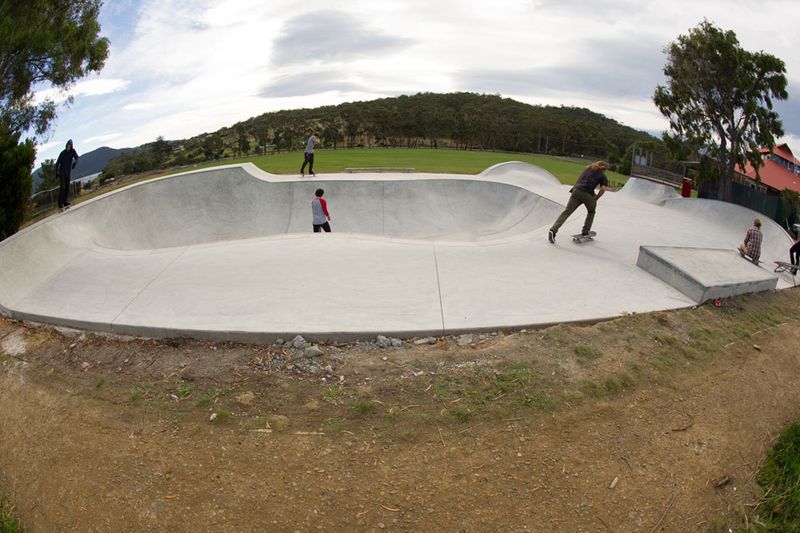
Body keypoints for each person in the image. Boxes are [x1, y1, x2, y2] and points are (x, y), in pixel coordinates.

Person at [548, 160, 610, 243]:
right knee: (591, 211)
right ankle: (585, 232)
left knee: (567, 211)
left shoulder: (587, 169)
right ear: (604, 169)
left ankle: (553, 230)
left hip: (576, 191)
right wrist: (596, 198)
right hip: (587, 194)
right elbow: (603, 189)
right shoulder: (602, 176)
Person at [56, 139, 79, 209]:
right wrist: (56, 172)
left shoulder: (73, 151)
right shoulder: (62, 153)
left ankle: (65, 202)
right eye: (67, 146)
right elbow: (57, 163)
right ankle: (60, 204)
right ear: (66, 146)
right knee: (62, 187)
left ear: (71, 146)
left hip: (68, 173)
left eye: (70, 146)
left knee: (68, 188)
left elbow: (77, 158)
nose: (68, 147)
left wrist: (75, 163)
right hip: (61, 173)